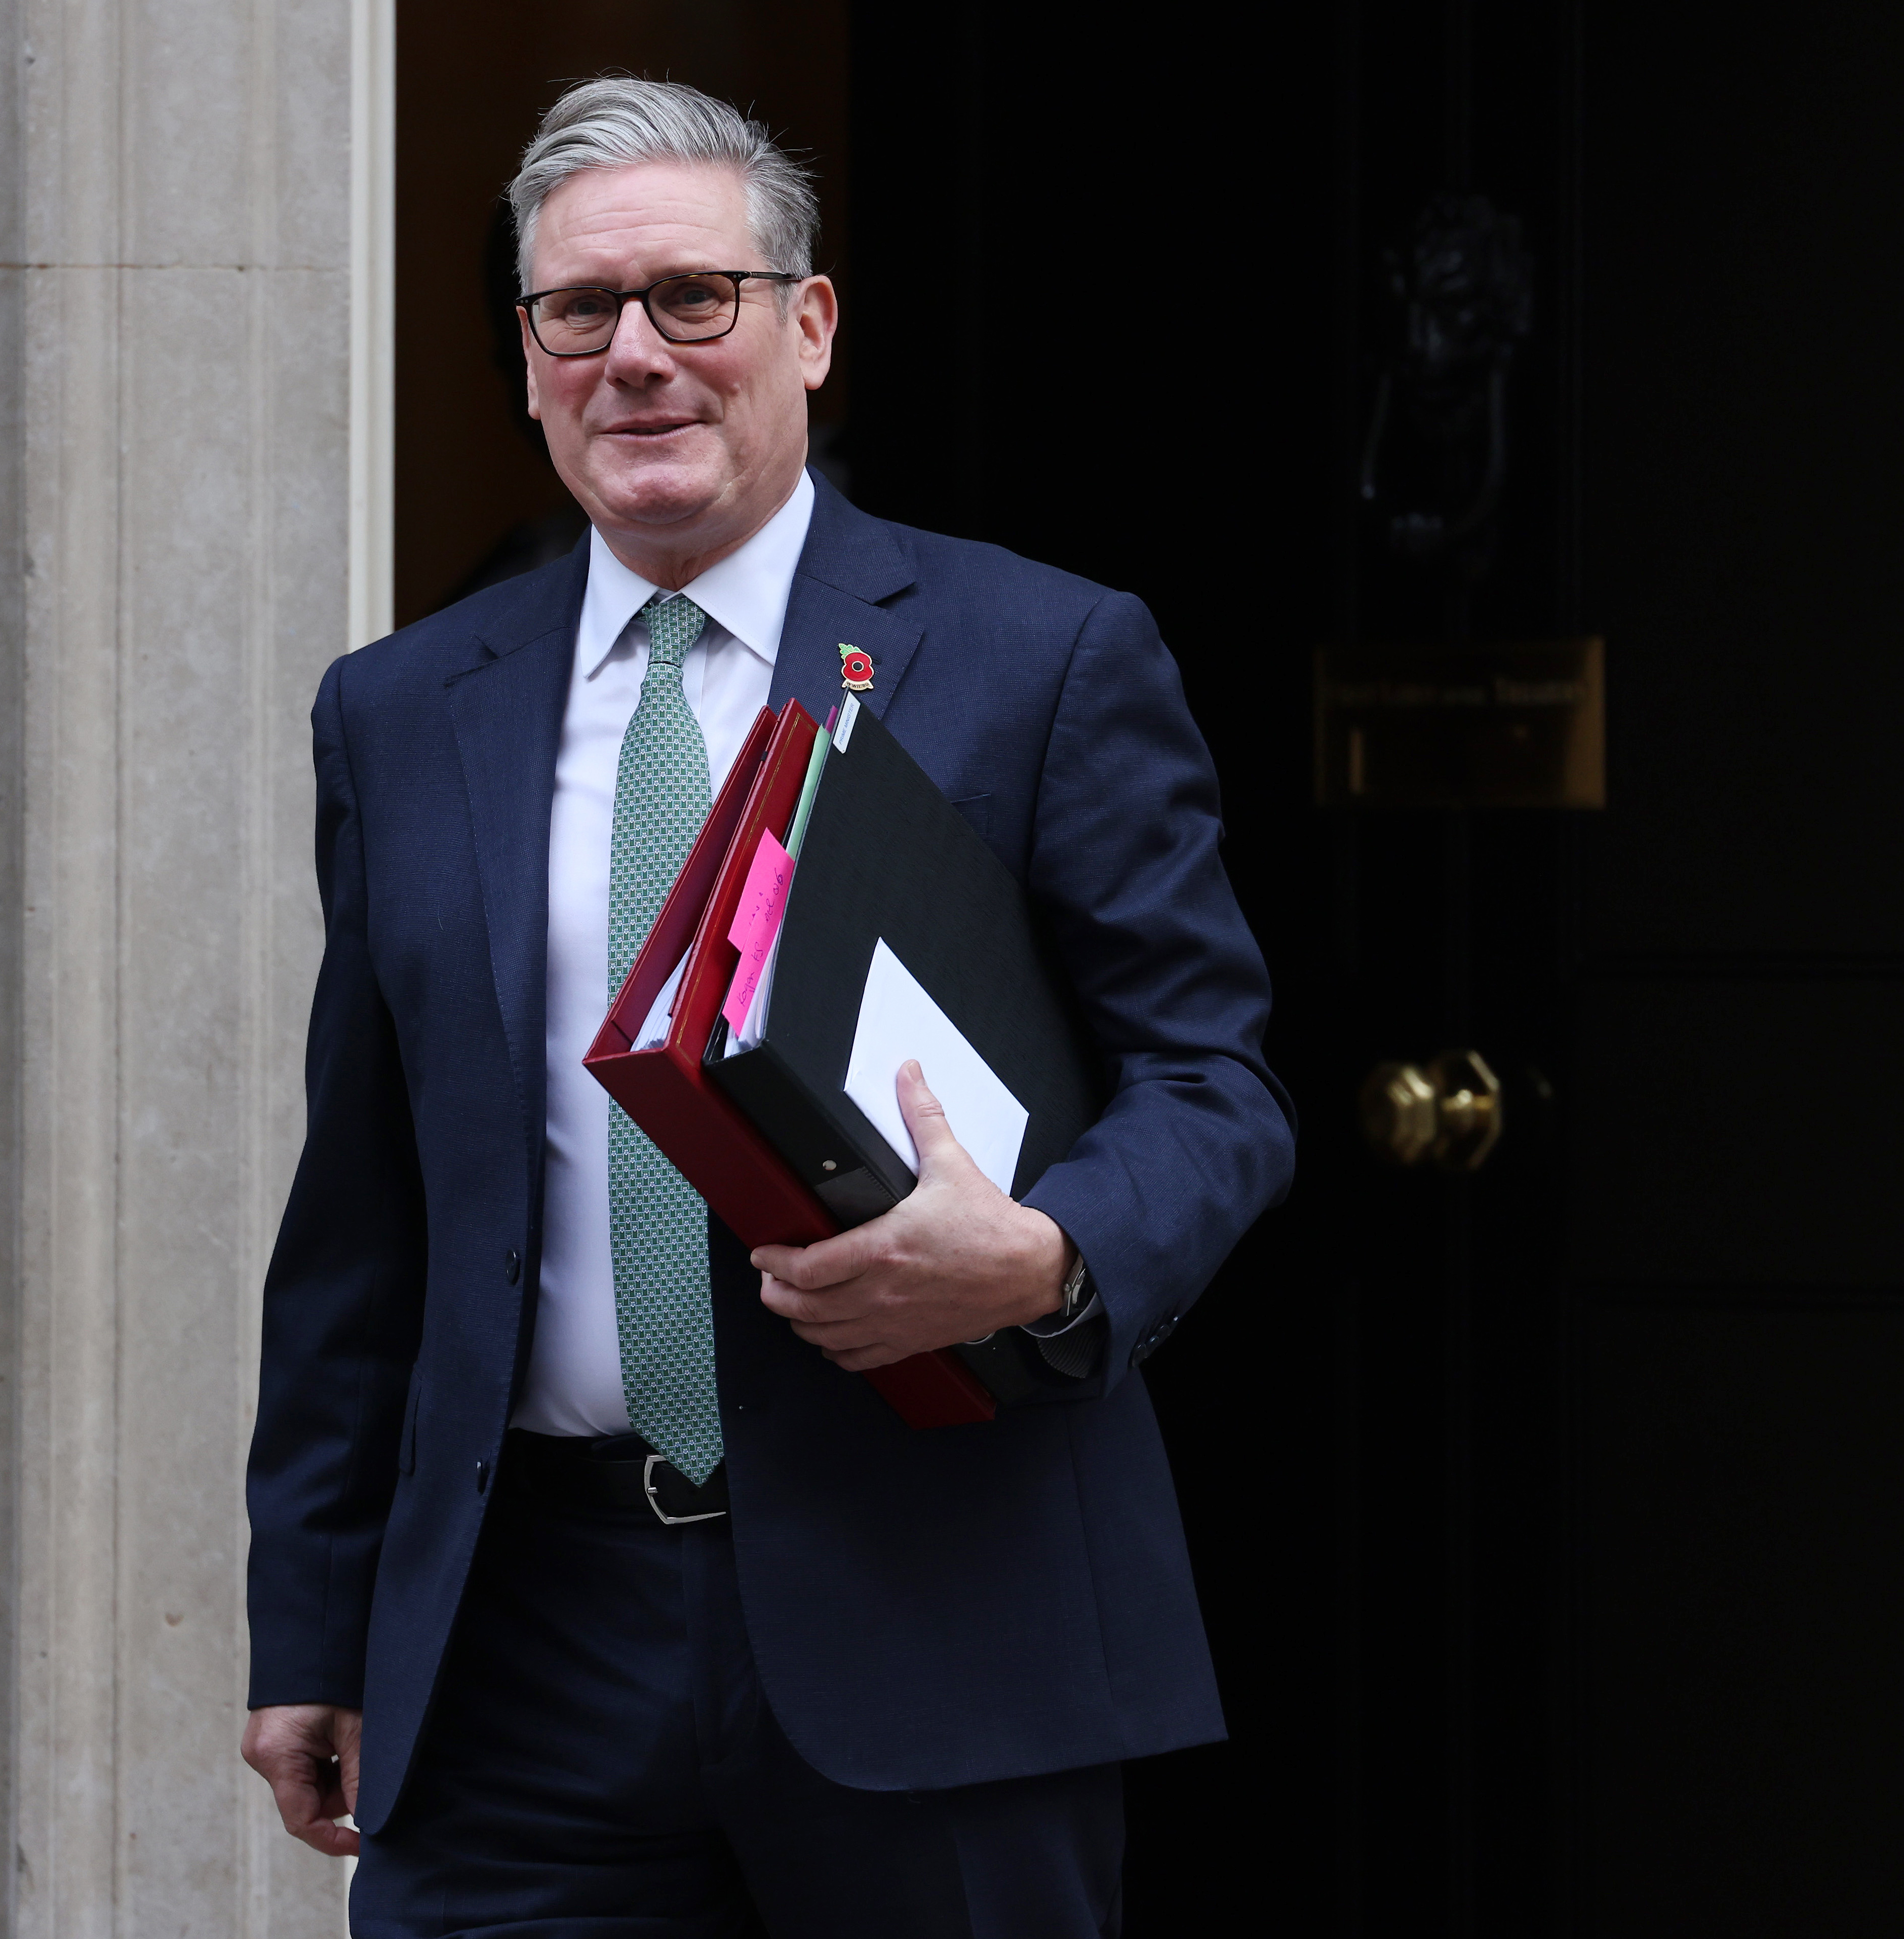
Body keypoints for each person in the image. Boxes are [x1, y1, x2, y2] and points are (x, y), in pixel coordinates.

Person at [240, 75, 1294, 1938]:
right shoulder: (400, 712)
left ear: (807, 325)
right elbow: (366, 1205)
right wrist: (314, 1621)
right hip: (517, 1648)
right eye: (582, 309)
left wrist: (1046, 1256)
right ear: (531, 356)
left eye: (692, 298)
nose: (636, 355)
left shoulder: (1039, 657)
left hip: (942, 1612)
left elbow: (1212, 1082)